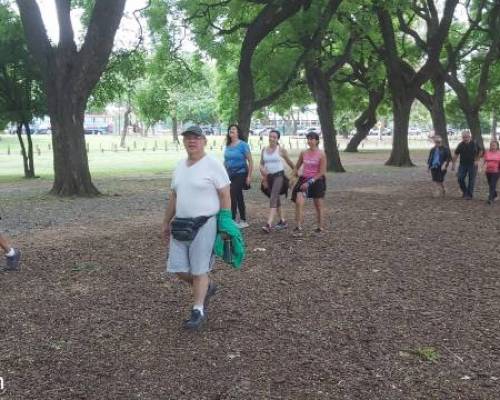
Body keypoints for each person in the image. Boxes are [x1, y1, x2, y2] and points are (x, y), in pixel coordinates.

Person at [162, 125, 231, 330]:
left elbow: (225, 194)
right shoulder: (180, 166)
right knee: (178, 269)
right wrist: (166, 221)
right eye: (188, 138)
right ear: (183, 142)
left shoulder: (213, 165)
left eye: (196, 138)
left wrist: (225, 222)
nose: (191, 141)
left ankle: (198, 309)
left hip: (205, 223)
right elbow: (174, 195)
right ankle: (207, 286)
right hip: (181, 224)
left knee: (200, 268)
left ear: (204, 141)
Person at [259, 129, 295, 233]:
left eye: (274, 137)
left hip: (279, 176)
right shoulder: (264, 149)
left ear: (277, 139)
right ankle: (283, 221)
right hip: (269, 177)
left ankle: (269, 224)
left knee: (274, 197)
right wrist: (263, 172)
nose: (271, 139)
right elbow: (261, 164)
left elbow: (290, 163)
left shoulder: (281, 150)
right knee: (275, 199)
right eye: (270, 136)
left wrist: (295, 175)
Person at [291, 131, 327, 232]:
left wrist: (310, 182)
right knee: (298, 202)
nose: (309, 141)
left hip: (317, 180)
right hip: (304, 179)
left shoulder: (321, 154)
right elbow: (297, 166)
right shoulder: (304, 153)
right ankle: (298, 226)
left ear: (317, 141)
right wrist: (292, 177)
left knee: (318, 205)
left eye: (312, 139)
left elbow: (322, 172)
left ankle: (320, 227)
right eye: (308, 139)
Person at [223, 124, 253, 228]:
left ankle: (233, 219)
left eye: (234, 129)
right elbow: (226, 161)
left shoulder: (243, 145)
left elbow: (250, 161)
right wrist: (223, 172)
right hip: (230, 174)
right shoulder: (228, 145)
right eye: (230, 129)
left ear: (238, 132)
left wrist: (249, 176)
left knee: (233, 193)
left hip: (241, 172)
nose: (231, 130)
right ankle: (243, 220)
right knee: (238, 195)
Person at [451, 131, 482, 199]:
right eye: (463, 137)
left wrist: (477, 160)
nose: (465, 138)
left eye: (466, 137)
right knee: (460, 178)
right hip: (463, 165)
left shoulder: (474, 143)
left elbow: (480, 151)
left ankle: (469, 195)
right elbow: (456, 154)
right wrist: (453, 164)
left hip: (472, 165)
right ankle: (465, 192)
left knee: (471, 180)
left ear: (469, 136)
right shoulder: (460, 145)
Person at [481, 140, 500, 204]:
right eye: (491, 145)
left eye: (494, 145)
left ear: (497, 146)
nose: (492, 146)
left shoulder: (499, 153)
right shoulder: (487, 152)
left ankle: (490, 199)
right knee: (490, 184)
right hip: (488, 171)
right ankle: (495, 195)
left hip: (496, 171)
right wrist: (482, 167)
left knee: (492, 184)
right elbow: (484, 161)